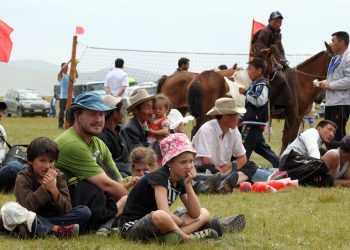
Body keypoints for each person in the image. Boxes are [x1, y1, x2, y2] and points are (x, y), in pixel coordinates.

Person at [119, 133, 245, 243]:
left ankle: (171, 236)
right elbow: (165, 212)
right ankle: (186, 236)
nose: (189, 166)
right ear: (169, 163)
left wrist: (188, 184)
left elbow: (195, 213)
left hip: (161, 225)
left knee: (204, 213)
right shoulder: (159, 177)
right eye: (183, 162)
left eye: (191, 161)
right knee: (160, 216)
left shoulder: (179, 179)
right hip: (133, 228)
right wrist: (181, 221)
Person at [55, 92, 132, 233]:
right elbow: (106, 184)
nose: (98, 119)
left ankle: (113, 220)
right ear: (77, 116)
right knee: (91, 184)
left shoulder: (97, 143)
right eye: (92, 114)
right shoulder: (72, 144)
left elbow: (117, 179)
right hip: (69, 207)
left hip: (93, 202)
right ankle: (109, 221)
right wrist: (134, 197)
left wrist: (135, 182)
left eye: (101, 114)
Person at [192, 97, 285, 192]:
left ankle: (224, 184)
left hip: (223, 170)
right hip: (204, 169)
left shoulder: (234, 130)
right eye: (236, 115)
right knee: (209, 168)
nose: (239, 118)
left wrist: (227, 170)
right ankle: (225, 182)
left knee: (250, 165)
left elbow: (242, 158)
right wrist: (225, 171)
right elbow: (206, 161)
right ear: (226, 117)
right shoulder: (206, 130)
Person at [14, 137, 91, 238]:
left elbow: (67, 208)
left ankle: (34, 227)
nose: (47, 166)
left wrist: (54, 190)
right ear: (30, 161)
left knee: (84, 212)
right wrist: (45, 188)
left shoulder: (59, 176)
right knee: (12, 210)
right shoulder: (23, 177)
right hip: (32, 214)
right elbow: (27, 207)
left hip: (53, 216)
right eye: (42, 161)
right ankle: (56, 229)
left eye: (51, 161)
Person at [239, 58, 279, 168]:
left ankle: (241, 171)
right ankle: (279, 164)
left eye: (250, 69)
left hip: (254, 122)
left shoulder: (262, 85)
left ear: (259, 70)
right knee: (261, 148)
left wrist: (246, 92)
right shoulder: (255, 84)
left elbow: (259, 101)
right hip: (252, 121)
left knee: (244, 149)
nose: (248, 72)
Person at [251, 11, 292, 114]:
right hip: (262, 62)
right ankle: (275, 105)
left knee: (288, 74)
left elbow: (280, 49)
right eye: (276, 21)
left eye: (280, 22)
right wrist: (267, 52)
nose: (278, 23)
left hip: (273, 61)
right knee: (280, 78)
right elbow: (259, 47)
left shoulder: (278, 34)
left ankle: (284, 103)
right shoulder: (265, 31)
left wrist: (283, 60)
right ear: (269, 21)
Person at [279, 120, 337, 186]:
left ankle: (295, 182)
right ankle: (280, 177)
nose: (332, 134)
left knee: (329, 179)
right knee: (322, 165)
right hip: (289, 159)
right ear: (319, 129)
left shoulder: (319, 143)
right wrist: (317, 170)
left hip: (298, 165)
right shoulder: (312, 132)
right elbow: (313, 151)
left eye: (334, 132)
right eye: (329, 129)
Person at [320, 31, 350, 144]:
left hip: (341, 103)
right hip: (330, 102)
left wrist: (330, 85)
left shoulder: (348, 57)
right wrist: (323, 82)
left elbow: (349, 80)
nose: (330, 44)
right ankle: (331, 160)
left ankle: (341, 161)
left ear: (341, 42)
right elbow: (334, 78)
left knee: (337, 136)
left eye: (333, 41)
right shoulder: (335, 58)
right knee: (327, 135)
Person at [98, 95, 133, 177]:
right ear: (114, 113)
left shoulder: (121, 131)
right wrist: (130, 167)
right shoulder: (102, 137)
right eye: (122, 109)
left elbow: (131, 150)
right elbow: (108, 164)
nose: (124, 113)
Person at [0, 101, 25, 193]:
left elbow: (1, 152)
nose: (1, 114)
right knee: (14, 167)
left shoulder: (1, 130)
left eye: (2, 112)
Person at [57, 60, 74, 128]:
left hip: (71, 96)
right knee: (62, 111)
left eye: (68, 67)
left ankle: (70, 124)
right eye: (65, 66)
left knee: (71, 111)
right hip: (63, 97)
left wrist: (74, 65)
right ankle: (60, 125)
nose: (67, 68)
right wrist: (70, 61)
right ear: (62, 67)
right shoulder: (60, 75)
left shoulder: (70, 75)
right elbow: (61, 70)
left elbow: (76, 75)